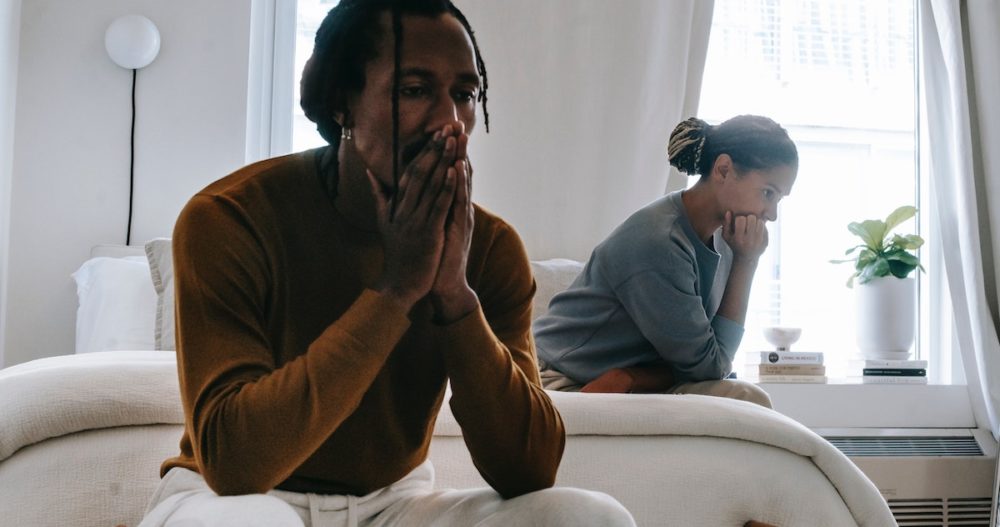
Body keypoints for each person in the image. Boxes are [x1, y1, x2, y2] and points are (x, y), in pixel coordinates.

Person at [138, 1, 635, 526]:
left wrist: (454, 296)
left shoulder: (490, 247)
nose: (450, 122)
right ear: (341, 103)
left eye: (464, 95)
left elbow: (529, 470)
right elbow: (235, 465)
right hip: (229, 502)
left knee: (589, 517)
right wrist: (396, 289)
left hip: (394, 503)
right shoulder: (230, 219)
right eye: (413, 90)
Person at [533, 115, 799, 407]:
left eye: (778, 199)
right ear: (723, 170)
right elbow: (711, 366)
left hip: (618, 378)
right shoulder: (660, 241)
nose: (771, 214)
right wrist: (747, 263)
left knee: (744, 398)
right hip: (561, 378)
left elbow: (709, 363)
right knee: (744, 398)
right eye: (767, 193)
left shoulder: (726, 237)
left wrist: (631, 377)